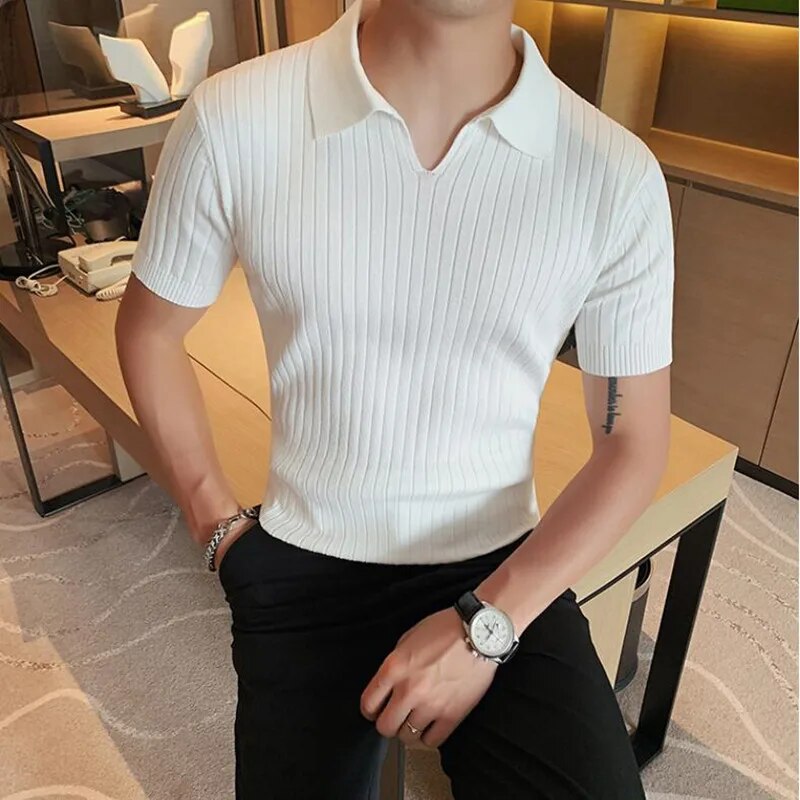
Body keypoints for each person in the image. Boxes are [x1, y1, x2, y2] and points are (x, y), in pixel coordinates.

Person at [114, 0, 674, 796]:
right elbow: (149, 331)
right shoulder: (235, 117)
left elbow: (632, 440)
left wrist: (488, 625)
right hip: (300, 557)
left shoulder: (614, 174)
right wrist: (219, 532)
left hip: (502, 565)